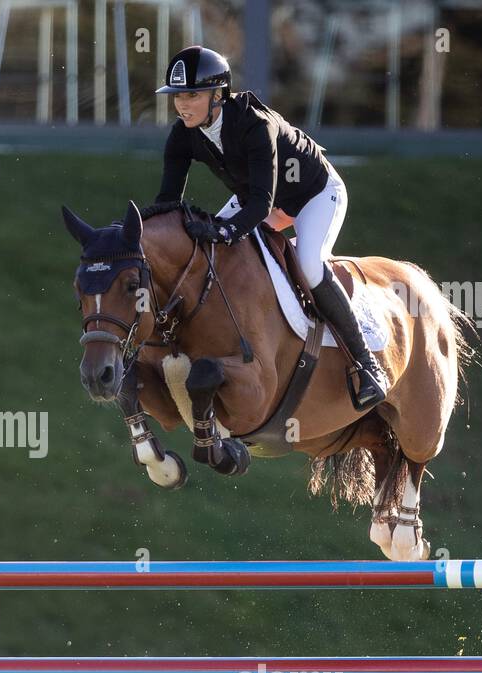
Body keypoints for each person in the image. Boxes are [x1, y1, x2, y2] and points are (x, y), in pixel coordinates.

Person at [153, 46, 387, 409]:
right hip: (259, 197)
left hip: (314, 195)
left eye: (192, 95)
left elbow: (262, 206)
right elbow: (168, 202)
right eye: (178, 96)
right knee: (216, 254)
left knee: (309, 263)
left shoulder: (254, 125)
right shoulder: (184, 134)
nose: (183, 104)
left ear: (218, 96)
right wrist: (137, 232)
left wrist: (226, 231)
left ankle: (367, 365)